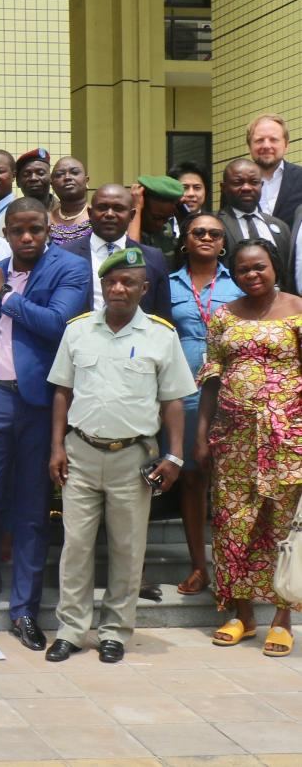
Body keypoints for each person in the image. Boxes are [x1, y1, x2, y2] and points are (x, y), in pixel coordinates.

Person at [45, 247, 194, 664]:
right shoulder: (78, 331)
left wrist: (175, 456)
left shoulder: (161, 336)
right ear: (103, 286)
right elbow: (62, 392)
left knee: (128, 549)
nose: (118, 288)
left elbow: (173, 401)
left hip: (133, 456)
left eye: (128, 282)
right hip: (80, 452)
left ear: (144, 288)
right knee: (76, 547)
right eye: (111, 281)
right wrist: (56, 447)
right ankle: (71, 630)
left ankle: (114, 631)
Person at [0, 198, 91, 651]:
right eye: (17, 230)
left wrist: (4, 295)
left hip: (43, 402)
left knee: (31, 510)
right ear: (5, 233)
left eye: (35, 229)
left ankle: (24, 610)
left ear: (48, 230)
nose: (27, 237)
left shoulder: (70, 269)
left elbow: (58, 324)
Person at [196, 239, 302, 657]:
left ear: (274, 267)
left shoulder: (298, 309)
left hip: (289, 439)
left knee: (281, 526)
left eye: (259, 267)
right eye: (243, 270)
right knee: (231, 523)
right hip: (233, 439)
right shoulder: (224, 315)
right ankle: (241, 615)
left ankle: (282, 618)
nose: (252, 275)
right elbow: (212, 377)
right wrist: (202, 434)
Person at [167, 212, 244, 596]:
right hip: (184, 393)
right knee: (192, 478)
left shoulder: (239, 283)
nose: (207, 237)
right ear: (185, 239)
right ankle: (200, 566)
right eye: (199, 231)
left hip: (231, 393)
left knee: (231, 482)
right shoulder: (167, 284)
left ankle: (237, 569)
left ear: (224, 242)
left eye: (215, 233)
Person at [57, 184, 170, 316]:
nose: (109, 214)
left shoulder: (153, 258)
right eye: (102, 207)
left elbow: (163, 316)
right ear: (90, 213)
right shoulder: (65, 254)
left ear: (132, 215)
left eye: (118, 208)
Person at [218, 158, 294, 290]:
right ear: (223, 187)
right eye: (238, 182)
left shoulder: (280, 226)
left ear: (261, 185)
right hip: (234, 301)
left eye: (254, 182)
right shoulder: (214, 225)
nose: (246, 188)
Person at [247, 113, 302, 227]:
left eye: (273, 139)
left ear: (286, 145)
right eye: (259, 140)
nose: (266, 146)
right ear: (249, 146)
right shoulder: (235, 185)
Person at [129, 175, 187, 263]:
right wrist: (136, 208)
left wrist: (182, 216)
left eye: (167, 218)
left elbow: (184, 255)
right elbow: (131, 258)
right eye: (156, 218)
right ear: (142, 206)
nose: (161, 224)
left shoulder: (166, 231)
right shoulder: (125, 228)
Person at [48, 156, 92, 245]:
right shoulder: (46, 220)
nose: (67, 177)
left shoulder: (98, 217)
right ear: (52, 184)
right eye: (59, 174)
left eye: (74, 173)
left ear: (86, 181)